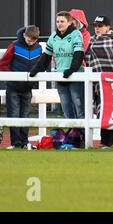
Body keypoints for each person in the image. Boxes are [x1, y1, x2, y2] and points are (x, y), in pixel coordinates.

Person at [30, 11, 86, 146]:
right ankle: (74, 138)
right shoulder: (53, 37)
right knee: (67, 110)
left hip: (75, 76)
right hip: (60, 77)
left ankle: (84, 138)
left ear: (69, 22)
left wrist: (71, 70)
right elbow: (46, 57)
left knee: (80, 108)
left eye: (62, 21)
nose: (59, 24)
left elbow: (79, 54)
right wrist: (35, 70)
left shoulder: (76, 35)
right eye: (58, 21)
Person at [0, 25, 41, 149]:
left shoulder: (38, 48)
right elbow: (3, 64)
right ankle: (15, 143)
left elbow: (41, 64)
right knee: (14, 114)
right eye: (29, 39)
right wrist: (11, 78)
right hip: (13, 87)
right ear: (24, 35)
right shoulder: (14, 46)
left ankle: (24, 142)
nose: (31, 42)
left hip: (28, 88)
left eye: (34, 40)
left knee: (25, 115)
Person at [85, 15, 113, 148]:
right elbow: (88, 56)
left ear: (108, 27)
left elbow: (107, 54)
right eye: (95, 26)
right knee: (103, 110)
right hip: (98, 81)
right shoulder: (92, 40)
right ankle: (104, 141)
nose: (97, 29)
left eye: (100, 26)